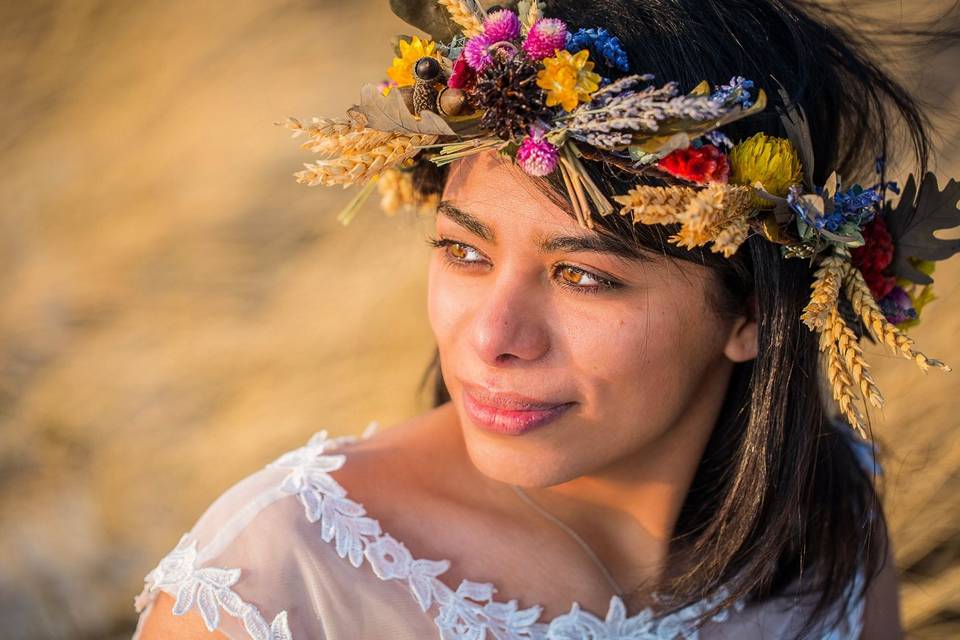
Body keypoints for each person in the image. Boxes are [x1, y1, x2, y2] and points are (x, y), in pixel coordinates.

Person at [131, 0, 960, 638]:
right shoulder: (277, 577)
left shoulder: (824, 535)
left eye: (583, 277)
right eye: (464, 253)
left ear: (752, 312)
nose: (493, 339)